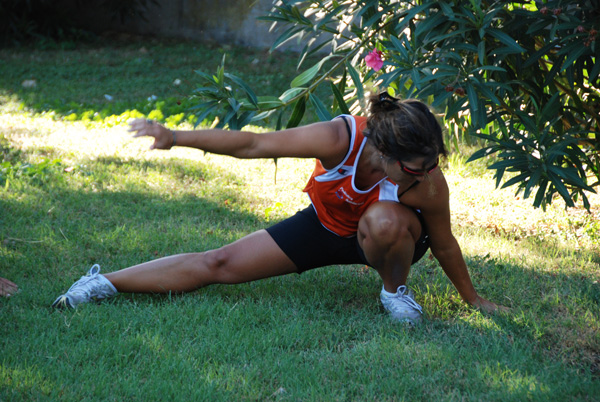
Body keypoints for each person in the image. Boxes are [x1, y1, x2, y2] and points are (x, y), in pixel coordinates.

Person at [52, 91, 506, 323]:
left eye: (431, 164)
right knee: (219, 263)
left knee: (384, 220)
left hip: (388, 239)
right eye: (415, 165)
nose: (426, 173)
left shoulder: (426, 180)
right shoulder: (338, 139)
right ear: (383, 150)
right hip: (327, 228)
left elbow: (443, 242)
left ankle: (394, 291)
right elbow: (254, 143)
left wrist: (473, 298)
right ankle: (102, 283)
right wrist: (175, 138)